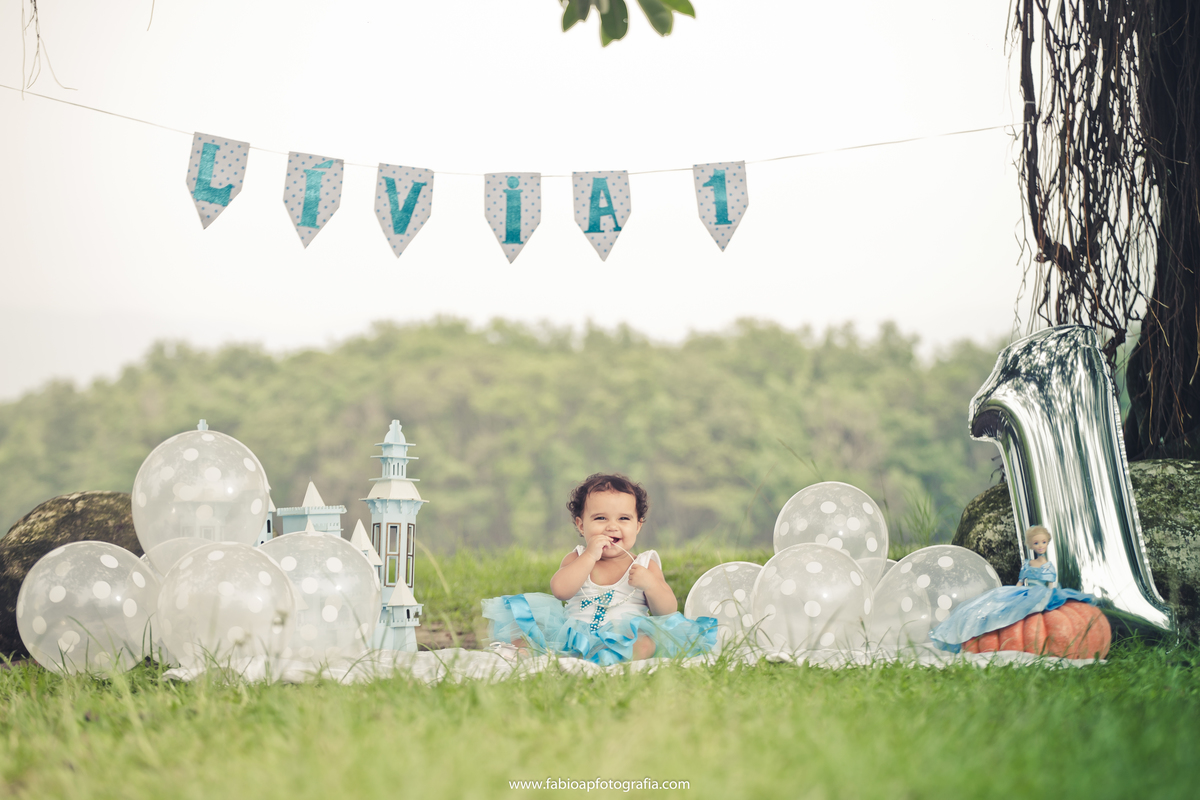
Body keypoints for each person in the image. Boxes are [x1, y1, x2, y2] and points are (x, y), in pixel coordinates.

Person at [482, 473, 717, 665]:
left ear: (638, 525)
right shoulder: (577, 557)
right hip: (575, 635)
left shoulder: (645, 563)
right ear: (581, 525)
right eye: (601, 518)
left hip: (625, 637)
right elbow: (560, 591)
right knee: (525, 626)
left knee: (645, 642)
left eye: (624, 518)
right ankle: (542, 656)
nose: (612, 527)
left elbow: (666, 611)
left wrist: (651, 584)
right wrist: (589, 556)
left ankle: (610, 661)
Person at [930, 525, 1097, 652]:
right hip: (1024, 591)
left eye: (1043, 542)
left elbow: (1051, 583)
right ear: (1031, 545)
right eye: (1037, 543)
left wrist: (1052, 592)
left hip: (1042, 592)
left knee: (1038, 614)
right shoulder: (1028, 564)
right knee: (997, 609)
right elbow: (1021, 580)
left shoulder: (1047, 565)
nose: (1040, 546)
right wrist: (1009, 592)